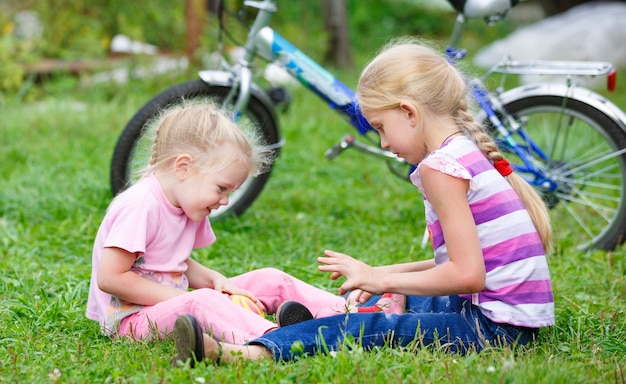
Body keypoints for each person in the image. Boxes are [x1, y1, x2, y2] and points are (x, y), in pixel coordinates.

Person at [170, 39, 555, 366]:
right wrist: (386, 276)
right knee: (400, 300)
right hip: (504, 318)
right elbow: (459, 263)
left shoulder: (442, 168)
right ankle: (311, 324)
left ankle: (246, 353)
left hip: (491, 328)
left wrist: (380, 278)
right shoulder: (464, 153)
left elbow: (468, 275)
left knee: (374, 329)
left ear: (409, 112)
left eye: (381, 128)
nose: (384, 143)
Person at [85, 100, 356, 346]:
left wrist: (216, 280)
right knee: (202, 301)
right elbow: (111, 278)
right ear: (184, 167)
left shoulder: (186, 203)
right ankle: (279, 339)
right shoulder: (140, 206)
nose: (225, 200)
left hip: (172, 304)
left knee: (269, 279)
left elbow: (171, 262)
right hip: (132, 320)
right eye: (221, 188)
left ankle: (351, 312)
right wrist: (183, 298)